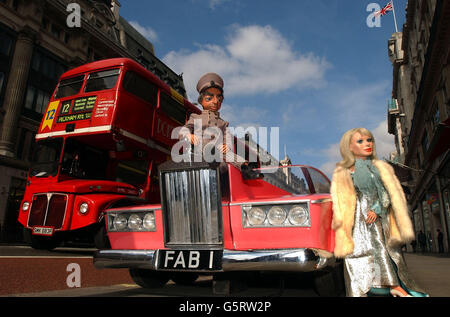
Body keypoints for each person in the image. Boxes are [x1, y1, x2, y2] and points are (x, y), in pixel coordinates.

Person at [330, 127, 427, 297]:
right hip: (353, 220)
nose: (367, 144)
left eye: (369, 140)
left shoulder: (376, 167)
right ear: (349, 147)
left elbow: (386, 192)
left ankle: (392, 286)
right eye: (360, 141)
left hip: (373, 217)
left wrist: (376, 209)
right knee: (354, 255)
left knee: (379, 249)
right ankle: (360, 290)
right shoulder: (343, 171)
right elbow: (339, 199)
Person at [178, 72, 245, 168]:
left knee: (225, 152)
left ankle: (246, 166)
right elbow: (185, 129)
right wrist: (188, 135)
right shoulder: (195, 117)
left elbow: (228, 139)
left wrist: (227, 147)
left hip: (218, 159)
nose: (215, 102)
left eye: (219, 99)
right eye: (209, 98)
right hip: (201, 153)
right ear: (201, 100)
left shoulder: (223, 123)